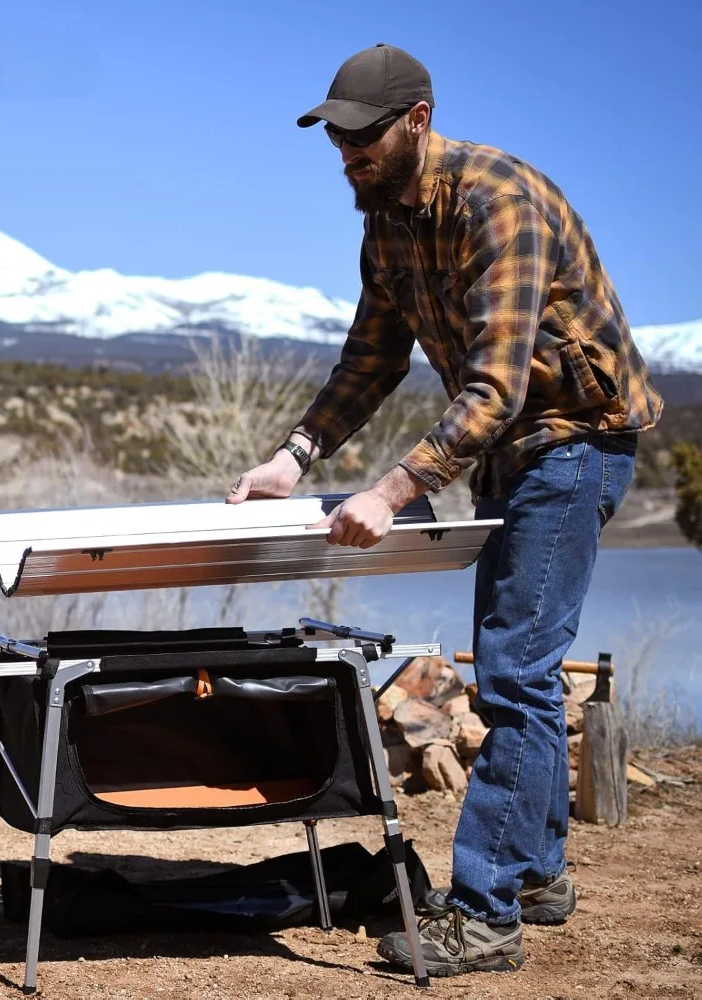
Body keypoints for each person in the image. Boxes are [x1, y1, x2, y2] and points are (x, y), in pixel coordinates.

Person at [226, 43, 662, 977]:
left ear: (415, 122)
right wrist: (294, 457)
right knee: (528, 673)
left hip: (575, 439)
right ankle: (536, 877)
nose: (346, 155)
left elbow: (497, 386)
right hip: (511, 448)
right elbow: (372, 360)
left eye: (361, 137)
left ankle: (485, 911)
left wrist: (393, 490)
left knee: (513, 673)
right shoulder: (385, 221)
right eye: (336, 138)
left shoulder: (496, 201)